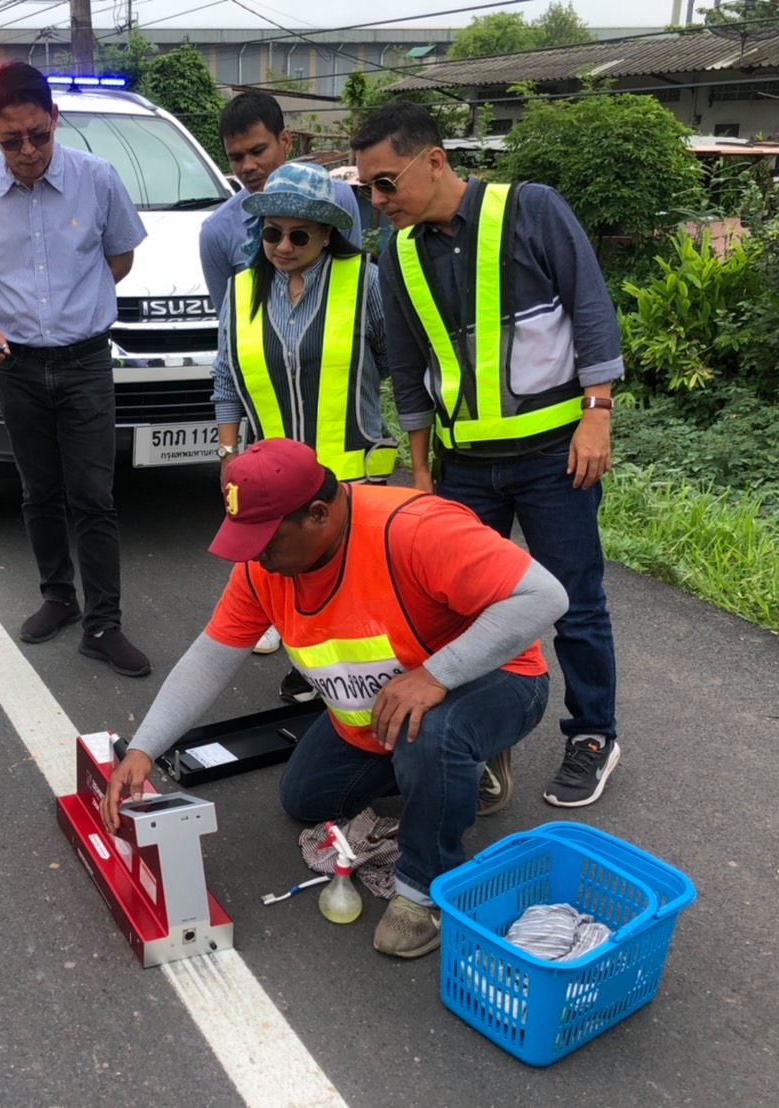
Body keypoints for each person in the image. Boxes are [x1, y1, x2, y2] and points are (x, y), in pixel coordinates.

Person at [102, 439, 567, 958]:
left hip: (495, 678)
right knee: (306, 798)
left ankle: (427, 891)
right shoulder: (262, 570)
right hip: (384, 708)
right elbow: (211, 658)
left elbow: (546, 596)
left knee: (434, 735)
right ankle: (457, 767)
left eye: (266, 542)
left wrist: (438, 675)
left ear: (319, 515)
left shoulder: (414, 530)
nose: (255, 556)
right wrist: (143, 749)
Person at [353, 101, 623, 811]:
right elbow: (406, 368)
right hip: (464, 466)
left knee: (574, 601)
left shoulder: (532, 210)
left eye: (386, 183)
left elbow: (592, 309)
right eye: (368, 188)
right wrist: (420, 473)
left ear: (434, 160)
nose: (378, 201)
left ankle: (592, 733)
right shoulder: (398, 252)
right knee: (458, 608)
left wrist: (597, 415)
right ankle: (479, 739)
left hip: (554, 455)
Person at [0, 61, 151, 678]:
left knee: (93, 495)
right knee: (38, 490)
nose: (28, 150)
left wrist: (74, 304)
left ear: (55, 119)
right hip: (16, 367)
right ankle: (58, 597)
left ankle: (104, 623)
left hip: (85, 361)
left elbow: (119, 258)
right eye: (12, 140)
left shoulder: (97, 178)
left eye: (39, 134)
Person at [209, 160, 397, 703]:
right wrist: (228, 452)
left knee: (354, 580)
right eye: (272, 234)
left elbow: (393, 361)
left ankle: (365, 681)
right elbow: (226, 379)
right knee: (291, 572)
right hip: (273, 478)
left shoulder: (364, 280)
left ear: (327, 234)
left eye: (299, 235)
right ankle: (312, 669)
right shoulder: (242, 290)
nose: (284, 246)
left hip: (352, 469)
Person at [199, 90, 363, 314]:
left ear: (285, 141)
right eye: (236, 158)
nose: (247, 166)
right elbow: (230, 322)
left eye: (258, 151)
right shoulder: (217, 232)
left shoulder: (338, 199)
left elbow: (354, 288)